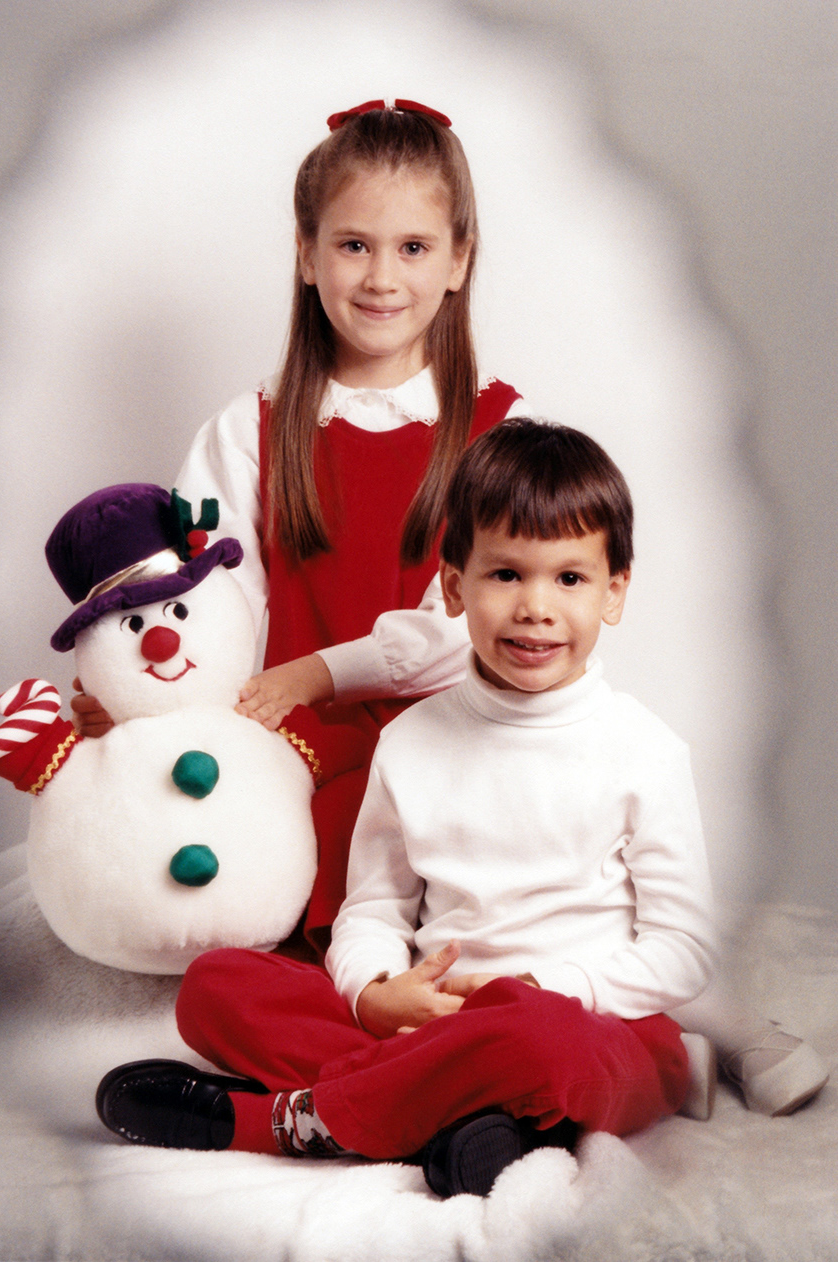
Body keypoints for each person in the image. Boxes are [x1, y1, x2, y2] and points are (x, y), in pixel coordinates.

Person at [96, 420, 718, 1197]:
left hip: (577, 1026)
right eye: (504, 576)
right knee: (218, 985)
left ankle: (286, 1122)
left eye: (569, 579)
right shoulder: (414, 740)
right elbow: (373, 909)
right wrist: (372, 990)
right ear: (454, 587)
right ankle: (467, 1122)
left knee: (540, 1043)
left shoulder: (645, 750)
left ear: (615, 591)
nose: (535, 607)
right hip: (432, 1021)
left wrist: (549, 986)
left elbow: (684, 949)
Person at [72, 99, 528, 948]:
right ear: (306, 254)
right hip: (296, 751)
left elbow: (473, 630)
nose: (382, 278)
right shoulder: (246, 432)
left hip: (459, 745)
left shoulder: (500, 432)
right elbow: (208, 614)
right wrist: (140, 702)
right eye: (354, 245)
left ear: (460, 259)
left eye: (414, 248)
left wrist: (319, 672)